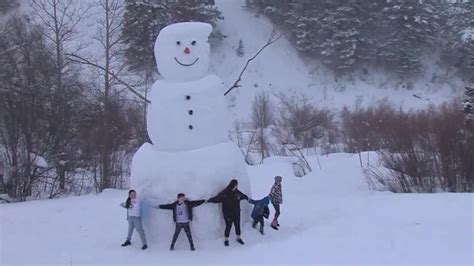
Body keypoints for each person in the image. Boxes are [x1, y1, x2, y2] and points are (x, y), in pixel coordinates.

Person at [208, 179, 249, 246]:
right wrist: (209, 200)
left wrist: (247, 198)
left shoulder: (237, 192)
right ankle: (226, 240)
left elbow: (243, 196)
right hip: (228, 213)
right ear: (233, 185)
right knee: (228, 226)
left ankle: (238, 238)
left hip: (236, 212)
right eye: (236, 185)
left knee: (237, 225)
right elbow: (217, 198)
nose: (237, 186)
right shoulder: (225, 193)